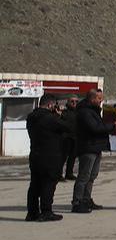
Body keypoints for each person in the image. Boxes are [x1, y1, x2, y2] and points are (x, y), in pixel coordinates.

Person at [27, 93, 72, 221]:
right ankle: (46, 211)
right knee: (48, 184)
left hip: (35, 155)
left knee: (35, 185)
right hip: (50, 156)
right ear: (50, 104)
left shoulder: (31, 117)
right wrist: (60, 115)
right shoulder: (50, 118)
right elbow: (68, 127)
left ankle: (32, 212)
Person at [73, 90, 116, 213]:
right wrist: (112, 126)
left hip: (96, 147)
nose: (101, 101)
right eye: (99, 98)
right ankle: (77, 201)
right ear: (92, 99)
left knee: (92, 176)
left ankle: (86, 199)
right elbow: (95, 128)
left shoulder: (94, 111)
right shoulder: (85, 112)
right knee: (84, 176)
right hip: (88, 147)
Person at [61, 96, 79, 180]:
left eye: (76, 101)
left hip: (75, 138)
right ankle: (58, 174)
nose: (74, 103)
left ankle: (69, 173)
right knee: (63, 157)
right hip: (66, 138)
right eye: (72, 101)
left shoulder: (79, 112)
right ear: (68, 102)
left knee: (73, 156)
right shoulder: (63, 112)